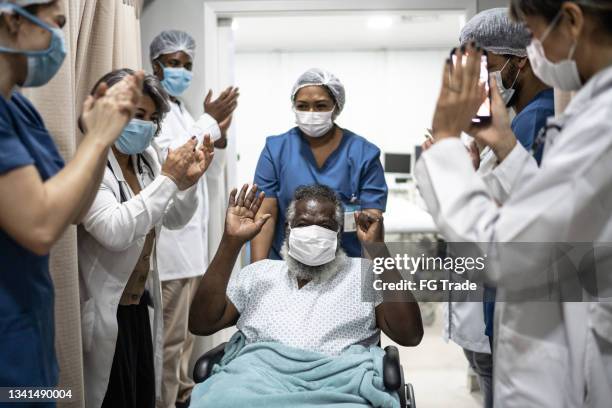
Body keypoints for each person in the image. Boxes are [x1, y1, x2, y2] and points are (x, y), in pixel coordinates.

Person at [415, 0, 612, 406]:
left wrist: (446, 144)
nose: (533, 50)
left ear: (571, 21)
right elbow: (556, 212)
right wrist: (505, 145)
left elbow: (509, 249)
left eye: (535, 34)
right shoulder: (590, 112)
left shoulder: (603, 122)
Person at [0, 0, 141, 393]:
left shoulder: (21, 111)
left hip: (31, 327)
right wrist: (95, 139)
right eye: (56, 25)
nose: (59, 42)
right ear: (13, 21)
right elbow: (40, 226)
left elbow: (75, 209)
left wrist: (101, 139)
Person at [188, 183, 422, 407]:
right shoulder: (259, 274)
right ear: (287, 230)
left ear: (338, 234)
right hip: (254, 382)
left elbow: (409, 335)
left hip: (338, 388)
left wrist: (378, 250)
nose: (313, 233)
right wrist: (231, 243)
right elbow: (201, 323)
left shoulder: (363, 274)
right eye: (303, 224)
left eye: (325, 226)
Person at [78, 69, 215, 408]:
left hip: (139, 306)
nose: (147, 126)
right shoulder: (90, 163)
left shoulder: (146, 159)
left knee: (141, 395)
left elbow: (176, 217)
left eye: (153, 118)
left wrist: (186, 183)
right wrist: (170, 178)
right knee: (111, 398)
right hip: (105, 309)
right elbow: (116, 230)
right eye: (137, 114)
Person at [439, 8, 555, 408]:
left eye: (481, 64)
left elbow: (520, 218)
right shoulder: (519, 118)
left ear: (517, 60)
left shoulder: (535, 119)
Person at [148, 29, 240, 408]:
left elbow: (199, 160)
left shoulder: (183, 110)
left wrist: (215, 134)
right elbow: (176, 159)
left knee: (184, 339)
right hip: (168, 251)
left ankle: (183, 396)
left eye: (187, 65)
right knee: (168, 342)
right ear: (155, 65)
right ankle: (165, 402)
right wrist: (209, 120)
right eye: (173, 63)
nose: (181, 71)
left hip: (190, 250)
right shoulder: (156, 110)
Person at [251, 68, 388, 262]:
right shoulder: (276, 150)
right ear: (293, 106)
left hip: (345, 265)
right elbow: (265, 215)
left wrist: (371, 279)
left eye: (321, 105)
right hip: (286, 264)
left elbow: (371, 223)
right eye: (303, 106)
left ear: (336, 106)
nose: (311, 113)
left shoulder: (364, 154)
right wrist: (258, 272)